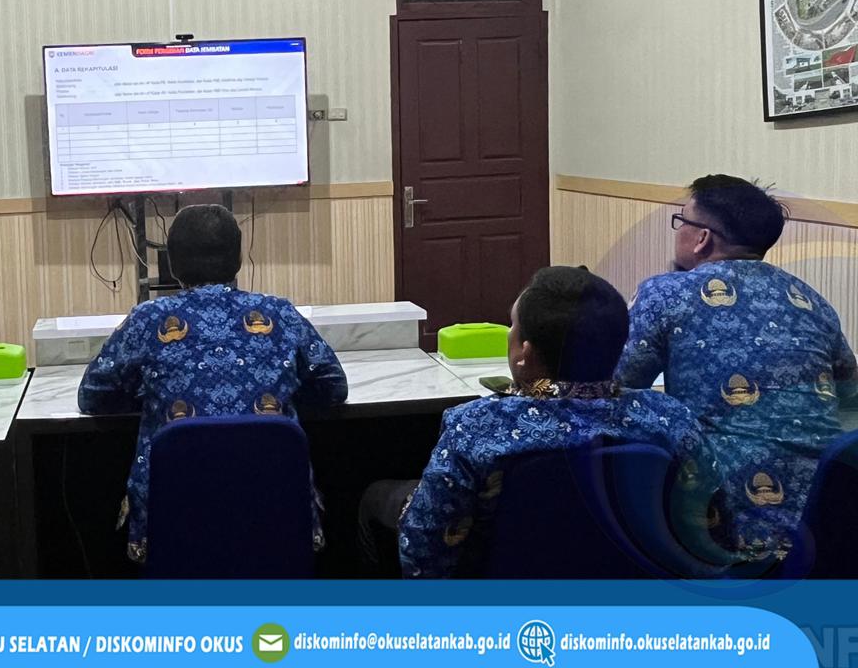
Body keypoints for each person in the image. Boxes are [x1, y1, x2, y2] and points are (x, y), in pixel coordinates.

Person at [359, 266, 719, 578]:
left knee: (376, 497)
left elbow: (425, 547)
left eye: (512, 325)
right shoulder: (670, 420)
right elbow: (711, 527)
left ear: (524, 353)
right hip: (631, 604)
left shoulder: (476, 427)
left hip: (507, 604)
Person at [78, 204, 348, 563]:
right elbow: (333, 386)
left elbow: (93, 395)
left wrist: (150, 393)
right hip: (277, 526)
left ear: (172, 263)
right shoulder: (279, 313)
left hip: (172, 531)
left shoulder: (148, 318)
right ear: (238, 259)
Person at [616, 174, 857, 559]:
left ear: (702, 237)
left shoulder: (664, 293)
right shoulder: (811, 300)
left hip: (728, 523)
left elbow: (616, 386)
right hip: (830, 518)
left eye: (681, 221)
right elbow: (850, 394)